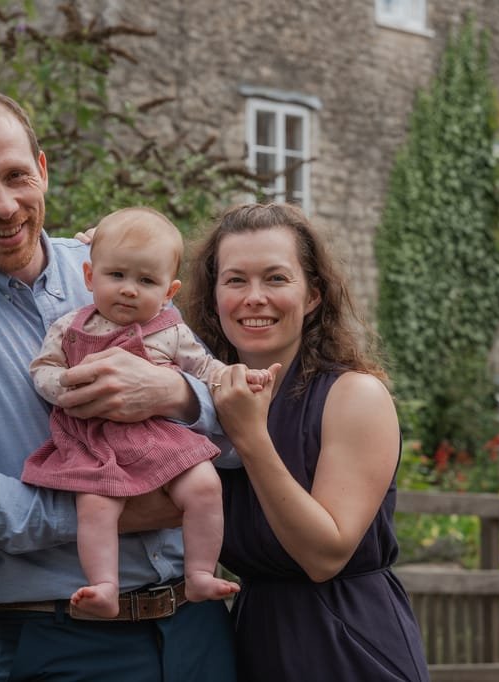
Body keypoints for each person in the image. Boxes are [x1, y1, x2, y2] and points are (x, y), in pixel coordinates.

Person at [0, 89, 236, 681]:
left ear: (43, 170)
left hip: (198, 628)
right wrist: (97, 513)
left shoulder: (113, 269)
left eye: (16, 176)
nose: (5, 205)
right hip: (67, 641)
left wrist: (175, 395)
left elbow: (235, 417)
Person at [185, 202, 430, 681]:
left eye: (276, 278)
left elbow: (324, 556)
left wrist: (250, 437)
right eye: (235, 280)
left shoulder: (354, 396)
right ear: (214, 295)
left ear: (313, 295)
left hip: (347, 643)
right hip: (254, 640)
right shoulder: (203, 400)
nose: (254, 297)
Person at [22, 206, 269, 618]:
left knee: (206, 485)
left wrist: (237, 376)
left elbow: (206, 369)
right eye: (116, 276)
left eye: (146, 281)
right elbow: (43, 368)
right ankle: (104, 583)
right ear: (89, 277)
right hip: (95, 440)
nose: (129, 290)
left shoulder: (171, 330)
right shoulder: (70, 327)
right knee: (96, 504)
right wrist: (62, 388)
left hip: (160, 436)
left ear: (169, 292)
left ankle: (200, 572)